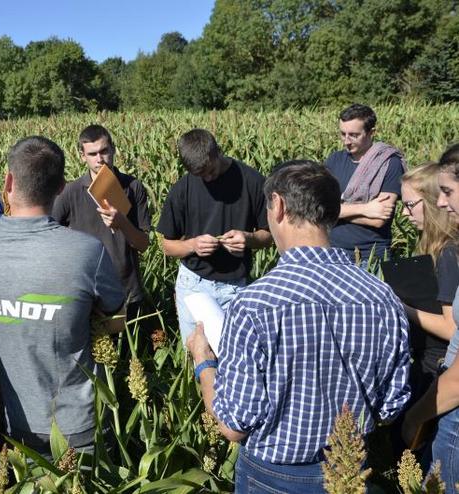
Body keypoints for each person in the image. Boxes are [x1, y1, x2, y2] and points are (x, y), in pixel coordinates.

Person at [187, 161, 410, 493]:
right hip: (350, 474)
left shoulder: (255, 304)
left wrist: (204, 361)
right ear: (333, 212)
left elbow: (233, 426)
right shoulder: (382, 297)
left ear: (278, 206)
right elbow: (391, 405)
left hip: (273, 477)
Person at [0, 136, 125, 454]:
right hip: (78, 426)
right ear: (60, 188)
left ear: (9, 181)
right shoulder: (86, 251)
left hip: (19, 426)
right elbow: (115, 312)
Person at [156, 129, 272, 342]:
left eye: (211, 171)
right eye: (200, 175)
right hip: (192, 284)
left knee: (232, 356)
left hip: (235, 286)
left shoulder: (252, 181)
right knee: (195, 356)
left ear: (217, 151)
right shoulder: (182, 189)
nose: (208, 178)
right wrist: (192, 245)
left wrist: (249, 239)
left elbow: (269, 235)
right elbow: (167, 246)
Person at [52, 125, 151, 324]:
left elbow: (143, 244)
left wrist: (122, 222)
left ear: (113, 149)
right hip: (88, 293)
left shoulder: (133, 187)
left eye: (104, 151)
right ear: (82, 156)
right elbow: (48, 236)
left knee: (130, 352)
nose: (99, 159)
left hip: (128, 291)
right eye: (92, 153)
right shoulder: (70, 193)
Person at [403, 149, 459, 488]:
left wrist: (416, 416)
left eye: (448, 192)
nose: (441, 202)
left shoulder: (450, 254)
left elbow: (452, 328)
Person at [399, 163, 458, 391]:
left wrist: (403, 307)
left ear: (433, 203)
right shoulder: (437, 248)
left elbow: (452, 328)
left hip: (442, 367)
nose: (405, 213)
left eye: (410, 205)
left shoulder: (448, 254)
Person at [325, 103, 406, 264]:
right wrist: (365, 209)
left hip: (370, 256)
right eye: (343, 134)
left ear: (371, 133)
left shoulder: (389, 164)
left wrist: (335, 211)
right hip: (333, 252)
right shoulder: (334, 160)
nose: (346, 141)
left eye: (354, 135)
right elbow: (320, 208)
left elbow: (379, 218)